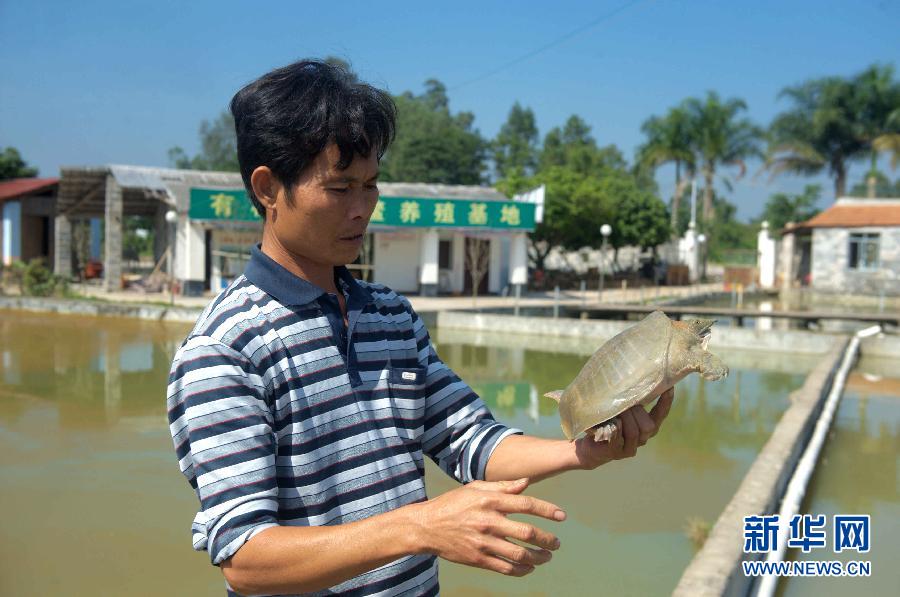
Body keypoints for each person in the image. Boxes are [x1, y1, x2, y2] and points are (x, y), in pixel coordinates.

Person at [166, 59, 674, 597]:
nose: (362, 209)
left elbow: (470, 440)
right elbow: (246, 558)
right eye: (340, 189)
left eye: (370, 185)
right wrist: (420, 526)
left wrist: (582, 452)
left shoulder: (391, 316)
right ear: (268, 188)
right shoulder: (225, 351)